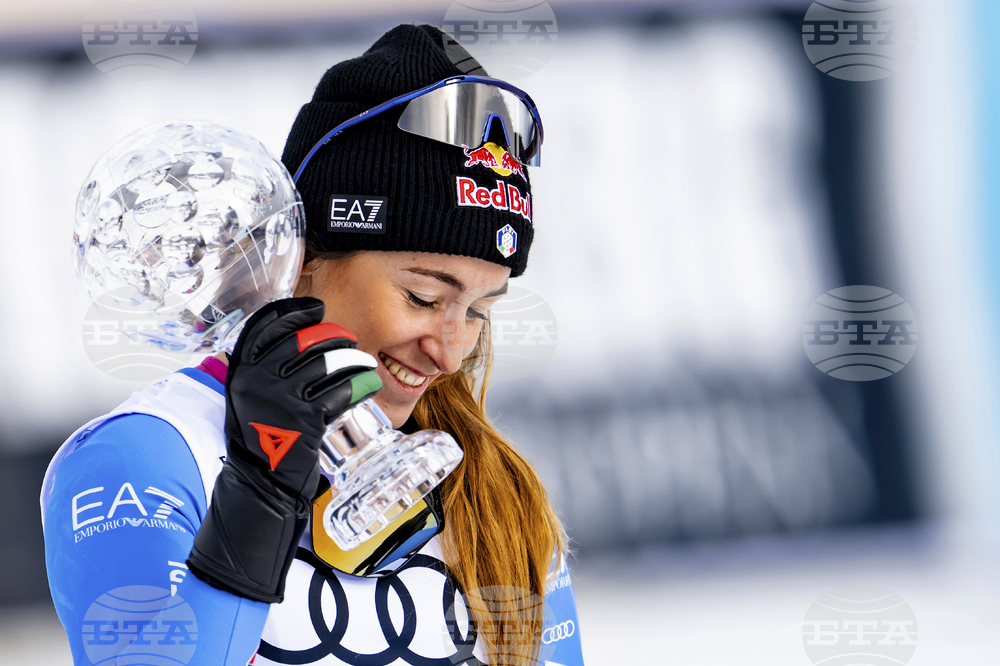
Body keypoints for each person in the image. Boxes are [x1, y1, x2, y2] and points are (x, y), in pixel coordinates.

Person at [41, 23, 584, 666]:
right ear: (300, 259)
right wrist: (258, 498)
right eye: (423, 299)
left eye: (478, 312)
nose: (449, 351)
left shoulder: (496, 488)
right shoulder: (143, 456)